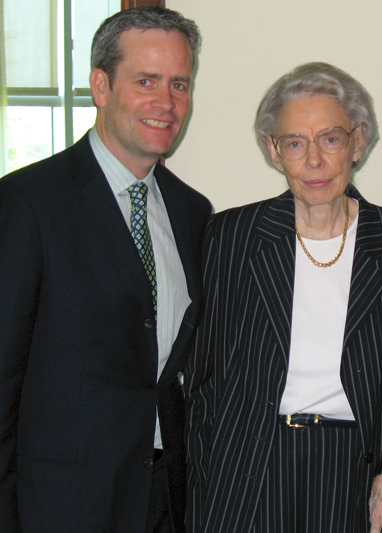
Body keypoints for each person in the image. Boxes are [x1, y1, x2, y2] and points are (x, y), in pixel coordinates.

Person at [185, 62, 382, 533]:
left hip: (357, 472)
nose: (313, 161)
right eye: (294, 143)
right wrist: (207, 482)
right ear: (273, 150)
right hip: (246, 471)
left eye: (330, 138)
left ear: (358, 141)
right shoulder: (230, 237)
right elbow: (204, 379)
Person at [0, 7, 212, 532]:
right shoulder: (28, 204)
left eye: (179, 84)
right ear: (100, 85)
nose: (166, 103)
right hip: (62, 507)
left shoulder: (193, 213)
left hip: (166, 498)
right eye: (146, 81)